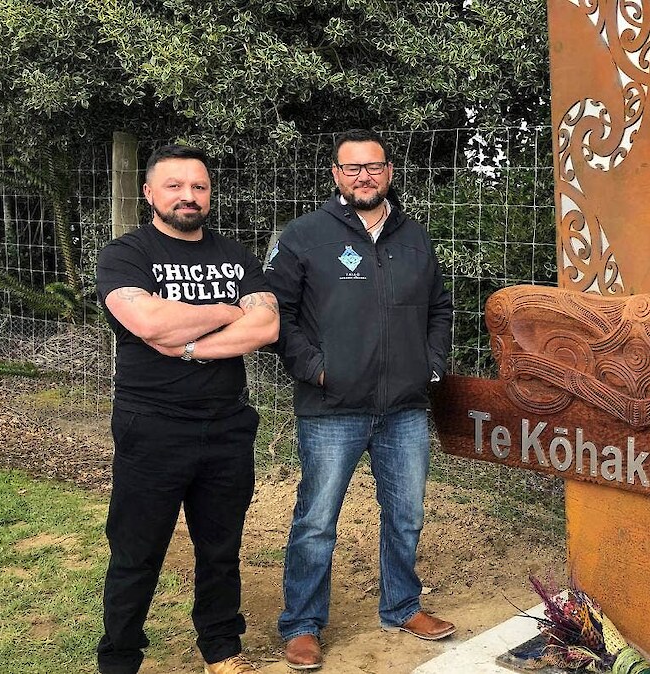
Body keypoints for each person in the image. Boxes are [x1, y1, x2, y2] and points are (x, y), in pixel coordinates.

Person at [265, 129, 455, 669]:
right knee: (318, 518)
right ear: (335, 176)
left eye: (373, 166)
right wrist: (317, 370)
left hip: (404, 409)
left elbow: (440, 308)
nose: (363, 176)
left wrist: (433, 364)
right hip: (332, 408)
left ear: (390, 172)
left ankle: (402, 606)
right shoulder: (304, 235)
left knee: (406, 514)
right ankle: (302, 624)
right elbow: (277, 315)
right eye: (352, 168)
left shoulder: (415, 237)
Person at [95, 145, 279, 674]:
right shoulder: (126, 254)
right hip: (151, 426)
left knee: (220, 548)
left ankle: (221, 650)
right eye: (174, 186)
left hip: (227, 427)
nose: (188, 196)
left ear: (209, 193)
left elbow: (265, 327)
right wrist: (226, 311)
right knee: (136, 551)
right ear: (150, 193)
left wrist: (190, 343)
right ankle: (119, 659)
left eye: (198, 186)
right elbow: (150, 324)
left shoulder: (236, 255)